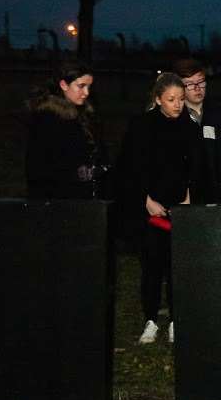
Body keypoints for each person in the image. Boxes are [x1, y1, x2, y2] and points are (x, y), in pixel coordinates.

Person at [118, 73, 207, 345]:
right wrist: (146, 201)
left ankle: (176, 320)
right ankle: (151, 319)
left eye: (181, 99)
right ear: (158, 99)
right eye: (171, 100)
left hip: (179, 208)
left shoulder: (189, 127)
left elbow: (196, 167)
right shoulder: (141, 126)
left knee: (177, 267)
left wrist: (189, 198)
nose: (178, 105)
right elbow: (128, 168)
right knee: (152, 266)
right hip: (149, 208)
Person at [25, 62, 108, 199]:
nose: (86, 93)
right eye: (81, 86)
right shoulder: (48, 118)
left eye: (89, 87)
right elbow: (39, 168)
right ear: (63, 85)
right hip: (61, 200)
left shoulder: (85, 113)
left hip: (87, 196)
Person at [172, 58, 221, 203]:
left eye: (200, 82)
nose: (197, 88)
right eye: (189, 84)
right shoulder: (172, 118)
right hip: (185, 202)